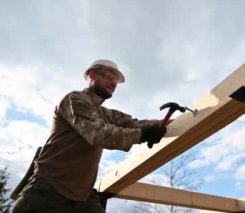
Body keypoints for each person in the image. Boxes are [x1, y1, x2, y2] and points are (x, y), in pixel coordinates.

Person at [11, 59, 167, 213]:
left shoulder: (106, 114)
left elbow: (134, 124)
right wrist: (142, 135)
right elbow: (97, 132)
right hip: (49, 189)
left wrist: (169, 122)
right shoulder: (75, 100)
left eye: (116, 81)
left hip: (81, 196)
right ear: (92, 75)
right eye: (109, 77)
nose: (114, 83)